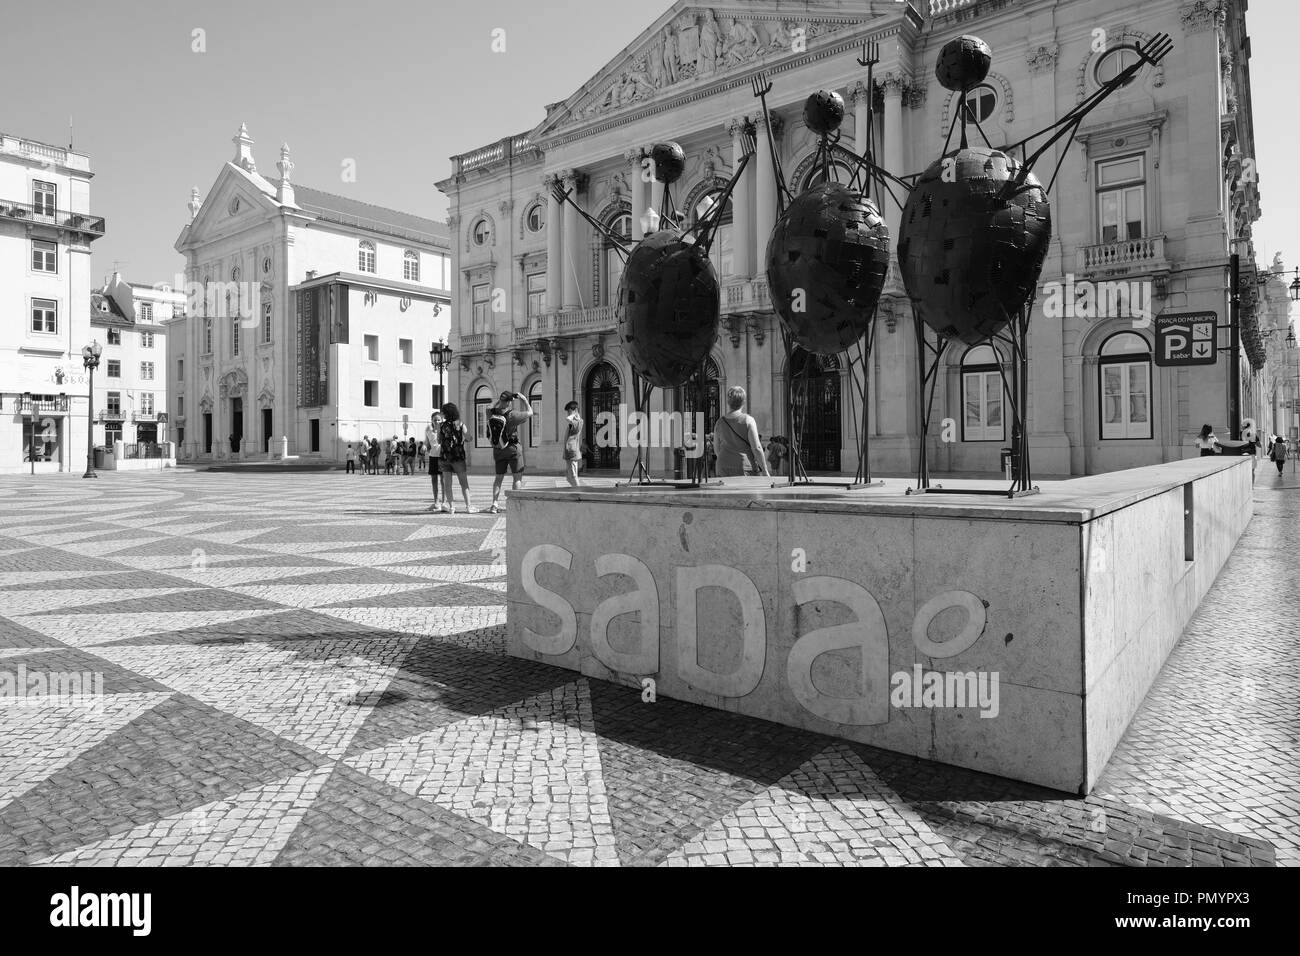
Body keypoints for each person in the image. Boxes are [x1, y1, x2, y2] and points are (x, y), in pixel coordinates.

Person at [487, 390, 534, 513]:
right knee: (517, 478)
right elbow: (530, 412)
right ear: (510, 402)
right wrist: (524, 399)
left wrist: (499, 401)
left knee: (498, 478)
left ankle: (494, 504)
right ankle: (515, 505)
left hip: (498, 449)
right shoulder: (513, 415)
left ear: (501, 400)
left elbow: (490, 405)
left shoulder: (491, 413)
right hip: (513, 448)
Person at [713, 386, 770, 478]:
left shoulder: (719, 422)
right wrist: (765, 470)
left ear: (728, 402)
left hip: (722, 465)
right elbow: (757, 448)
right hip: (744, 466)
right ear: (743, 402)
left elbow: (717, 449)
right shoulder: (748, 420)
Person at [438, 402, 473, 514]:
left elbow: (439, 440)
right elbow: (469, 438)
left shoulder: (441, 426)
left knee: (448, 483)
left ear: (446, 413)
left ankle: (452, 507)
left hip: (444, 457)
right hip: (458, 457)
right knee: (464, 483)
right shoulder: (460, 424)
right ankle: (468, 506)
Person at [562, 400, 583, 487]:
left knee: (573, 475)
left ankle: (578, 492)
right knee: (569, 476)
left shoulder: (578, 421)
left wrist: (574, 414)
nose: (568, 413)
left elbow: (568, 419)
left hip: (572, 450)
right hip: (569, 449)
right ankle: (575, 489)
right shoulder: (575, 421)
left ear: (574, 410)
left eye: (569, 411)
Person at [425, 411, 444, 510]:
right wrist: (427, 449)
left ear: (442, 420)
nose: (437, 421)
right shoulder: (428, 431)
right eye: (435, 420)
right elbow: (427, 444)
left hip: (442, 457)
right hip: (433, 457)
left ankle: (444, 501)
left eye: (438, 420)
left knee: (443, 480)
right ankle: (436, 501)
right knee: (434, 480)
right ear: (432, 421)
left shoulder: (444, 430)